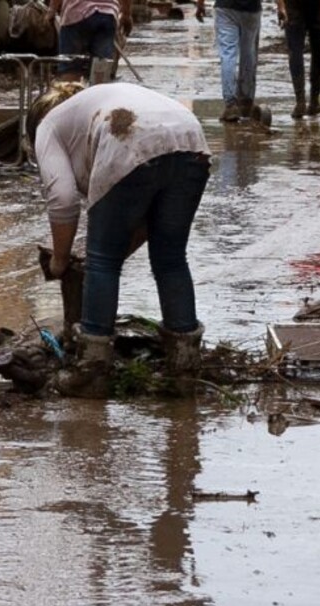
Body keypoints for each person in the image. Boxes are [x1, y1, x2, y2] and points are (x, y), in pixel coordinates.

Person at [27, 82, 211, 398]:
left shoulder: (48, 126)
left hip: (129, 136)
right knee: (170, 259)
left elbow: (63, 200)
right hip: (190, 138)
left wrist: (60, 261)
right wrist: (116, 249)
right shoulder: (92, 107)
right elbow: (147, 221)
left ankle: (92, 371)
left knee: (102, 262)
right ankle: (184, 368)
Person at [196, 0, 261, 121]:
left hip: (225, 7)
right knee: (248, 53)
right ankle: (246, 102)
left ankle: (231, 104)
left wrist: (200, 4)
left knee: (228, 54)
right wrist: (281, 7)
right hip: (252, 9)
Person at [277, 0, 320, 117]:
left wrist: (280, 5)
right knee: (318, 50)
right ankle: (314, 101)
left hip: (293, 5)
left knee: (295, 50)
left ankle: (300, 102)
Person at [52, 0, 133, 81]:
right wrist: (126, 14)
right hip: (106, 13)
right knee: (101, 67)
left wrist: (51, 11)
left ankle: (70, 86)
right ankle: (99, 86)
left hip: (76, 13)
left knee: (70, 67)